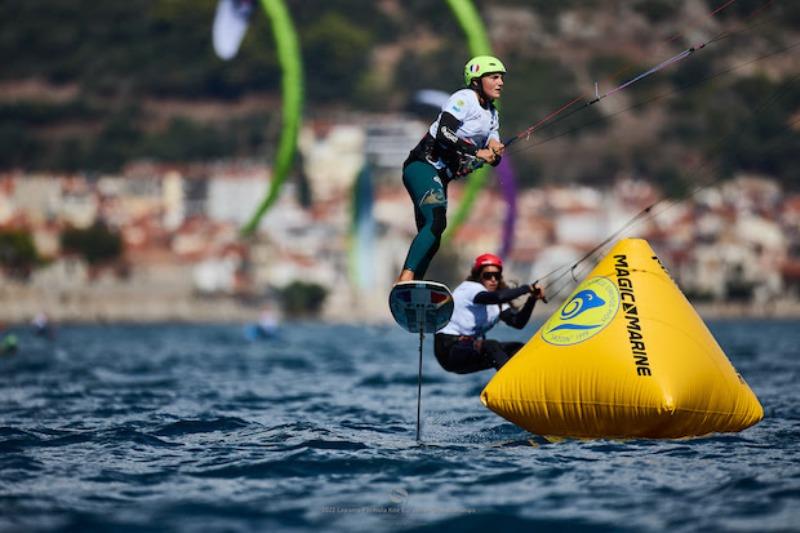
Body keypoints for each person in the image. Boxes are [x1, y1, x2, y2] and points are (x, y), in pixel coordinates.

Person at [397, 56, 507, 283]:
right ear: (477, 81)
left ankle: (415, 284)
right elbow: (444, 132)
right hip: (422, 167)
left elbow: (492, 151)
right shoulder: (464, 99)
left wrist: (495, 152)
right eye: (494, 77)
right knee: (436, 221)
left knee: (434, 232)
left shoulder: (492, 114)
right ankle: (405, 279)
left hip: (440, 176)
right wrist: (477, 153)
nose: (500, 82)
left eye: (502, 78)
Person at [435, 253, 546, 374]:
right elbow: (499, 296)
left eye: (497, 276)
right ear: (478, 276)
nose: (493, 279)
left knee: (519, 349)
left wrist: (532, 299)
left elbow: (518, 322)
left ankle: (526, 382)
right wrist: (527, 288)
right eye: (488, 275)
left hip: (468, 349)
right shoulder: (469, 289)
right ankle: (509, 383)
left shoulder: (496, 303)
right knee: (492, 346)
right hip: (448, 350)